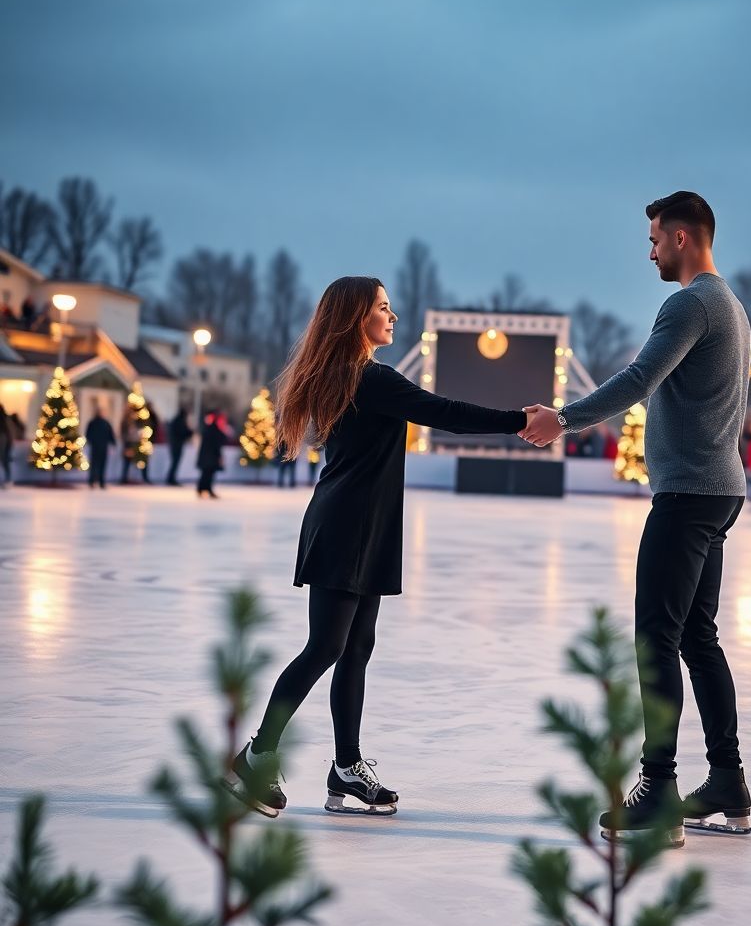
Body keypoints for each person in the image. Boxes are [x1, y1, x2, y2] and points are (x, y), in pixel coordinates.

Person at [224, 276, 531, 819]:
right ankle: (255, 756)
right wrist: (520, 421)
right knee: (326, 647)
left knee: (355, 648)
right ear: (354, 319)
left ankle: (346, 768)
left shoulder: (352, 376)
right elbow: (445, 413)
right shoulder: (367, 379)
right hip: (346, 526)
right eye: (382, 309)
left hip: (368, 526)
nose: (393, 317)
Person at [521, 191, 751, 844]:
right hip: (718, 491)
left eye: (654, 238)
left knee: (657, 638)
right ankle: (728, 781)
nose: (649, 250)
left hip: (686, 494)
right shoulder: (730, 304)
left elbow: (639, 378)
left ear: (682, 237)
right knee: (697, 639)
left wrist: (561, 419)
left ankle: (659, 787)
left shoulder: (690, 303)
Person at [196, 410, 229, 497]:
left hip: (207, 456)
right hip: (211, 457)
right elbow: (218, 443)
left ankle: (202, 489)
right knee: (208, 474)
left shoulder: (207, 429)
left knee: (206, 474)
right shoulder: (214, 430)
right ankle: (205, 489)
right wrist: (219, 456)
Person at [85, 401, 116, 489]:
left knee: (101, 465)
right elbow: (88, 434)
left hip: (102, 446)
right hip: (96, 446)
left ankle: (101, 482)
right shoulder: (93, 423)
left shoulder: (105, 423)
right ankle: (92, 481)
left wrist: (113, 442)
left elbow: (110, 434)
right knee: (94, 465)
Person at [166, 406, 193, 486]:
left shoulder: (177, 420)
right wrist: (190, 432)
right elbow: (182, 433)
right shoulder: (179, 421)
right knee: (175, 462)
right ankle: (171, 479)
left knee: (175, 462)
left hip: (175, 444)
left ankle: (171, 478)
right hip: (176, 445)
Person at [0, 403, 12, 487]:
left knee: (4, 459)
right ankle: (7, 480)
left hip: (3, 438)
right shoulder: (5, 418)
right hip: (5, 438)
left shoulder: (3, 419)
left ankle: (7, 480)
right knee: (4, 460)